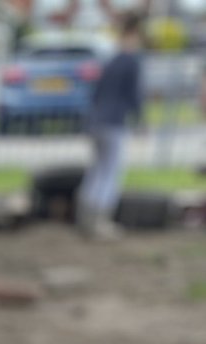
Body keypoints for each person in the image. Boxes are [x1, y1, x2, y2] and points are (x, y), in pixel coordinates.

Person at [76, 12, 145, 240]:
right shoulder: (130, 60)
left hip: (96, 121)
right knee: (111, 172)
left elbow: (96, 93)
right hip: (114, 122)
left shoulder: (111, 60)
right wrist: (141, 120)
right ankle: (100, 222)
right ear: (134, 34)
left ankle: (85, 217)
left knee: (97, 170)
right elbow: (134, 95)